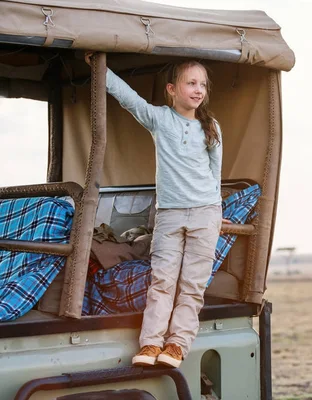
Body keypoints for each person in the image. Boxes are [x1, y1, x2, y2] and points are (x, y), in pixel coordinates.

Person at [85, 52, 229, 368]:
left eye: (202, 84)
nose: (198, 89)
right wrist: (100, 67)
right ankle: (151, 344)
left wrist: (216, 210)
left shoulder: (211, 127)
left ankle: (177, 345)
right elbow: (128, 98)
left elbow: (214, 173)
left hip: (205, 214)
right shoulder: (160, 119)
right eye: (191, 83)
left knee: (193, 285)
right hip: (170, 215)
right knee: (161, 281)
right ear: (171, 89)